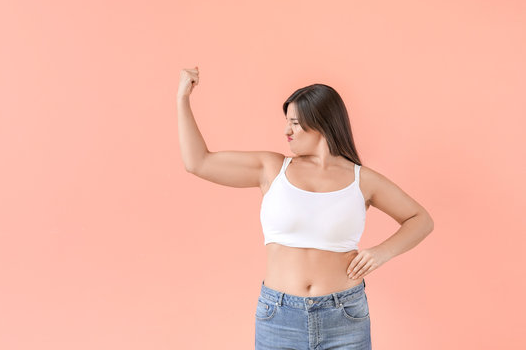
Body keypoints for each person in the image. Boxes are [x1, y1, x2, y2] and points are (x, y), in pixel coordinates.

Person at [177, 66, 434, 350]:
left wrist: (382, 252)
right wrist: (183, 99)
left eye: (295, 123)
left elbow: (420, 219)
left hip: (345, 316)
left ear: (322, 123)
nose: (286, 130)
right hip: (279, 316)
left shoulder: (363, 180)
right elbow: (197, 162)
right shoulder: (271, 168)